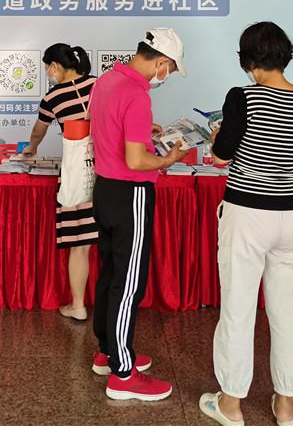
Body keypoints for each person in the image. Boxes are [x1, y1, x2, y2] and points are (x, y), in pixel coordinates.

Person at [199, 22, 293, 426]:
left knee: (238, 310)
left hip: (248, 213)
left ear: (248, 59)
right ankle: (285, 404)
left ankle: (231, 403)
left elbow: (221, 156)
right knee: (288, 314)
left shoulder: (242, 97)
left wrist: (219, 137)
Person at [89, 29, 189, 402]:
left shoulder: (107, 81)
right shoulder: (136, 94)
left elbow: (109, 127)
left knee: (110, 274)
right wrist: (168, 159)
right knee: (128, 282)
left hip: (104, 189)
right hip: (130, 193)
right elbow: (136, 160)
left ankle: (108, 351)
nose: (166, 76)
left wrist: (146, 132)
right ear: (161, 61)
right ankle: (123, 373)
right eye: (170, 69)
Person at [21, 43, 97, 322]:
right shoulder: (99, 84)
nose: (47, 73)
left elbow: (38, 131)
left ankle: (78, 305)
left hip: (78, 174)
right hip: (110, 169)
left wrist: (31, 148)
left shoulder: (53, 97)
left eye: (47, 68)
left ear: (54, 66)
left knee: (80, 244)